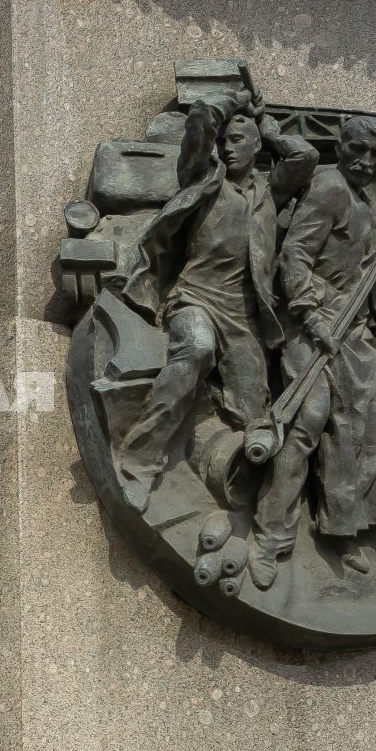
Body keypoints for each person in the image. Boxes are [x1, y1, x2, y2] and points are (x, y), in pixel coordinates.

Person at [116, 92, 318, 510]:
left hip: (244, 315)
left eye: (239, 139)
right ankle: (140, 462)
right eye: (225, 139)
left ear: (257, 144)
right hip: (195, 298)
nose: (229, 146)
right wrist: (236, 99)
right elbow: (200, 120)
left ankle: (237, 491)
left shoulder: (269, 189)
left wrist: (272, 129)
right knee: (196, 348)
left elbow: (307, 158)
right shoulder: (203, 177)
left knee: (253, 414)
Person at [250, 115, 376, 588]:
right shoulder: (329, 186)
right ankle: (270, 538)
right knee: (308, 419)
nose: (364, 162)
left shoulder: (366, 201)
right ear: (340, 147)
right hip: (312, 325)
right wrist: (313, 317)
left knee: (374, 431)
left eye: (374, 156)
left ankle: (343, 526)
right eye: (356, 150)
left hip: (354, 336)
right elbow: (294, 256)